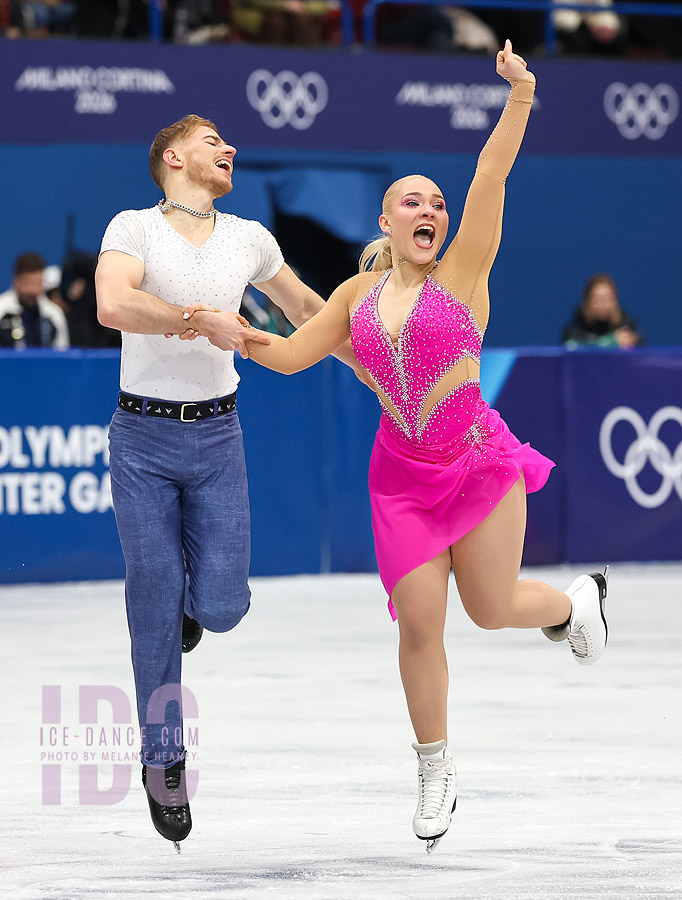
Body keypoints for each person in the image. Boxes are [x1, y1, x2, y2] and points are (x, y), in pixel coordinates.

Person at [182, 42, 610, 853]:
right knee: (419, 624)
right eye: (412, 202)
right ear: (385, 220)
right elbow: (288, 354)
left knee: (490, 611)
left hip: (478, 464)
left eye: (437, 204)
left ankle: (571, 605)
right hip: (402, 480)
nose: (430, 210)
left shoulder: (466, 274)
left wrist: (519, 95)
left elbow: (491, 176)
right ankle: (435, 767)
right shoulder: (353, 297)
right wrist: (230, 331)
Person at [94, 113, 358, 851]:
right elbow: (112, 304)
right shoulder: (133, 228)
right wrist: (193, 320)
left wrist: (372, 371)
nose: (229, 149)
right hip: (141, 438)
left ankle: (189, 607)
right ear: (173, 157)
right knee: (151, 594)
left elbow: (310, 310)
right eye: (214, 142)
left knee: (224, 606)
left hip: (217, 436)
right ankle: (163, 758)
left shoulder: (250, 237)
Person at [0, 252, 69, 349]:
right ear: (16, 280)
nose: (32, 290)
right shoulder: (2, 310)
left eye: (37, 283)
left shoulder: (54, 314)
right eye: (27, 283)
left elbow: (62, 353)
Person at [562, 273, 642, 348]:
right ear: (587, 302)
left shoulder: (626, 325)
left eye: (607, 299)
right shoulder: (576, 326)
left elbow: (639, 347)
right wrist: (611, 341)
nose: (602, 305)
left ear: (615, 301)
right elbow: (571, 347)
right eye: (596, 300)